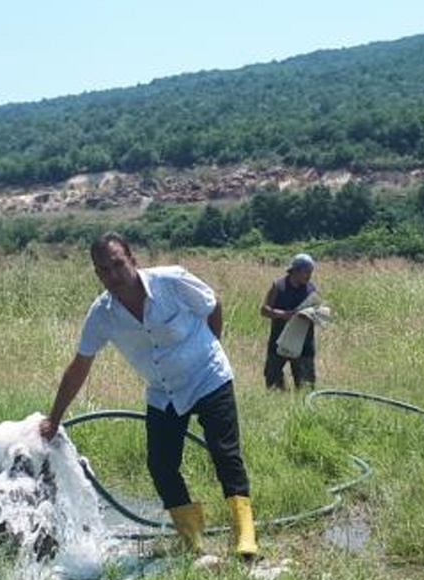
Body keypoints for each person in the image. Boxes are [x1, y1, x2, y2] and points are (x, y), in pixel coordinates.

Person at [39, 232, 257, 559]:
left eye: (117, 264)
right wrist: (54, 418)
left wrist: (211, 345)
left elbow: (212, 305)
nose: (113, 275)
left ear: (133, 260)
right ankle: (192, 540)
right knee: (161, 464)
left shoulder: (171, 281)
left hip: (208, 375)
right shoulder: (102, 315)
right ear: (98, 275)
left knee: (224, 452)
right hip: (164, 391)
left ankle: (245, 535)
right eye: (104, 270)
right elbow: (79, 365)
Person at [260, 253, 319, 389]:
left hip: (304, 344)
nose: (309, 276)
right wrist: (283, 314)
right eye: (306, 272)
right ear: (296, 270)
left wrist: (313, 315)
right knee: (273, 382)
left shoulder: (311, 289)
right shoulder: (278, 286)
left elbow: (316, 310)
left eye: (311, 272)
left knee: (306, 386)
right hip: (279, 342)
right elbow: (264, 310)